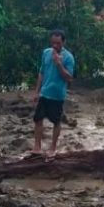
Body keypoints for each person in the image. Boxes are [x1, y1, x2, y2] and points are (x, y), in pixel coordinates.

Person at [32, 29, 76, 160]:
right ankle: (37, 147)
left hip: (57, 95)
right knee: (38, 119)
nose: (55, 46)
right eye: (53, 43)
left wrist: (59, 64)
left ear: (64, 42)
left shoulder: (68, 57)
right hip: (44, 93)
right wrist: (37, 91)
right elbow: (41, 72)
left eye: (58, 43)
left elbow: (69, 78)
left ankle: (53, 148)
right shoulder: (46, 52)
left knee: (56, 121)